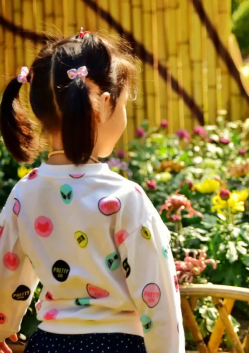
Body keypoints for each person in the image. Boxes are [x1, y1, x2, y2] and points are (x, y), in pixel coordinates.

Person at [0, 30, 184, 353]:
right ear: (105, 104)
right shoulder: (126, 199)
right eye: (125, 103)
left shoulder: (24, 195)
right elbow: (159, 303)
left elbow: (7, 270)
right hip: (120, 345)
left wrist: (5, 326)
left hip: (48, 346)